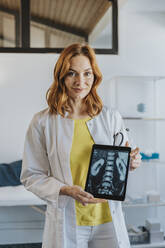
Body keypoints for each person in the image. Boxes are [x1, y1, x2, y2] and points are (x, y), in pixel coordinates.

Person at [21, 43, 141, 248]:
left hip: (107, 219)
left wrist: (132, 161)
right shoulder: (43, 122)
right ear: (61, 77)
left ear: (94, 76)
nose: (80, 81)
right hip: (68, 218)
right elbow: (31, 175)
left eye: (87, 73)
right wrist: (66, 190)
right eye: (72, 73)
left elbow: (123, 160)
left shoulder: (110, 117)